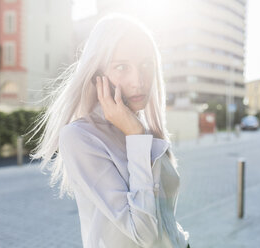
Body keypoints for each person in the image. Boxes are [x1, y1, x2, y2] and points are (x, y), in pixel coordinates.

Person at [28, 13, 190, 248]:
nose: (139, 81)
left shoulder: (143, 129)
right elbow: (146, 235)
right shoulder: (80, 137)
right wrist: (135, 137)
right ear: (97, 75)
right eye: (122, 66)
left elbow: (165, 216)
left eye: (146, 65)